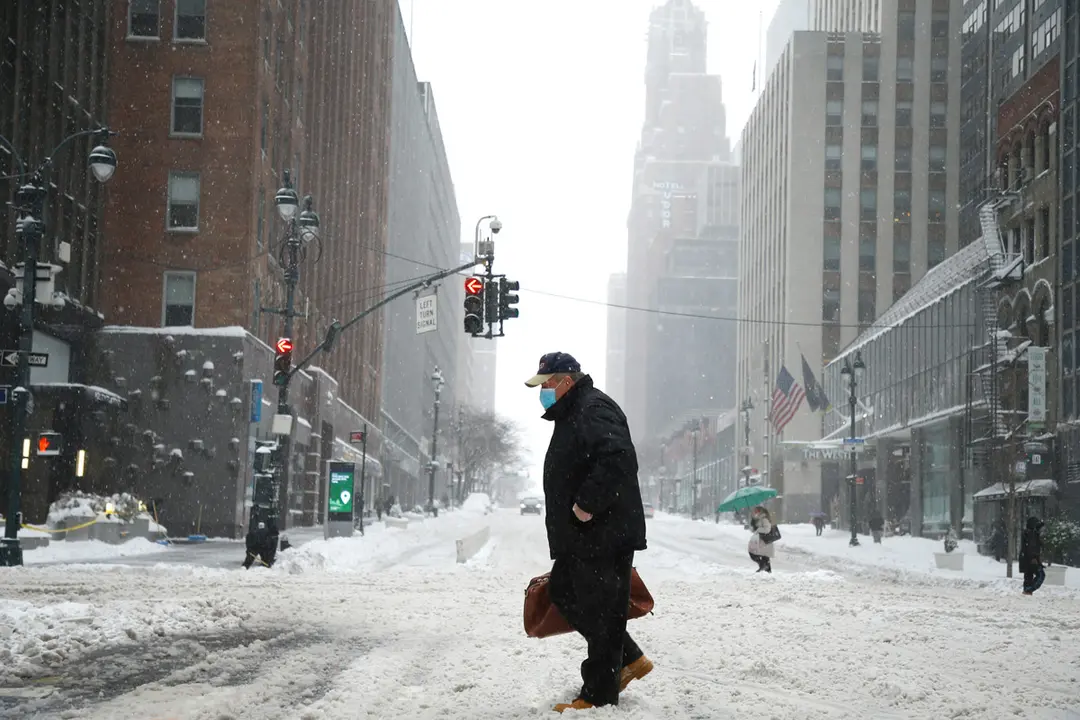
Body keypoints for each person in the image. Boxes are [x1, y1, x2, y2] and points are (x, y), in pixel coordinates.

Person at [525, 352, 651, 713]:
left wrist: (586, 505)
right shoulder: (574, 411)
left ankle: (598, 693)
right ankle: (627, 658)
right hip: (584, 536)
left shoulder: (592, 408)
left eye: (546, 384)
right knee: (564, 593)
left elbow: (619, 457)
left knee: (603, 611)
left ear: (566, 380)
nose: (543, 392)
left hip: (602, 533)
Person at [1019, 516, 1046, 596]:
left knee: (1028, 576)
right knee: (1040, 575)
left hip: (1026, 559)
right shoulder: (1031, 534)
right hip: (1031, 559)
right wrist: (1034, 558)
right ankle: (1028, 590)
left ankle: (1027, 591)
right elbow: (1031, 547)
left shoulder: (1030, 533)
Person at [748, 506, 775, 573]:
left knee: (755, 554)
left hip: (765, 541)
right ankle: (767, 570)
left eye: (756, 511)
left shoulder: (764, 519)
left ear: (760, 511)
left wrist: (758, 529)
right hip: (761, 541)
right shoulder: (758, 519)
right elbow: (755, 530)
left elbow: (767, 529)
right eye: (754, 511)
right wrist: (753, 524)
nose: (754, 512)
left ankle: (764, 567)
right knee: (764, 557)